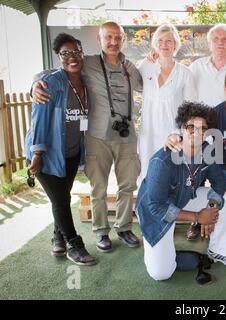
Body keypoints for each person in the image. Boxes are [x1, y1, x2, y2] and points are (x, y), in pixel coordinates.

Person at [31, 21, 143, 252]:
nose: (113, 42)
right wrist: (34, 84)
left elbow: (150, 83)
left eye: (117, 37)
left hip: (127, 136)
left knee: (127, 185)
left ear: (123, 39)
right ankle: (101, 231)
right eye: (108, 37)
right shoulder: (87, 63)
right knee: (98, 188)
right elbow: (54, 73)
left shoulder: (131, 67)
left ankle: (123, 227)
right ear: (99, 40)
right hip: (96, 136)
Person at [136, 102, 226, 281]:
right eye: (191, 126)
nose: (196, 132)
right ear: (182, 128)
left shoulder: (207, 151)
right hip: (157, 212)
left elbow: (219, 183)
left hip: (185, 198)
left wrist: (211, 208)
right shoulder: (162, 160)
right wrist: (198, 217)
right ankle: (162, 253)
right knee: (161, 274)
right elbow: (156, 207)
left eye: (202, 128)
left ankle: (219, 251)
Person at [165, 69, 226, 253]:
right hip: (224, 171)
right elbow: (193, 133)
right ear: (225, 89)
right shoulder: (214, 114)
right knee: (222, 208)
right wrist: (174, 137)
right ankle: (206, 227)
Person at [25, 33, 96, 266]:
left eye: (76, 51)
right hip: (48, 155)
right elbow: (39, 120)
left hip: (72, 153)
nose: (72, 57)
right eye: (66, 53)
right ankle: (75, 245)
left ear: (82, 53)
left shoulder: (85, 82)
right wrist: (37, 154)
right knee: (61, 201)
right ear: (59, 57)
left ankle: (58, 237)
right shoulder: (51, 83)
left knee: (62, 198)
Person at [137, 23, 197, 186]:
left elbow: (190, 110)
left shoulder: (185, 73)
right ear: (155, 43)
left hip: (173, 135)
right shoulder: (145, 66)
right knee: (147, 177)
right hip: (148, 134)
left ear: (176, 44)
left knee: (171, 179)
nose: (164, 44)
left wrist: (179, 133)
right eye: (161, 40)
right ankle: (146, 211)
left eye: (169, 41)